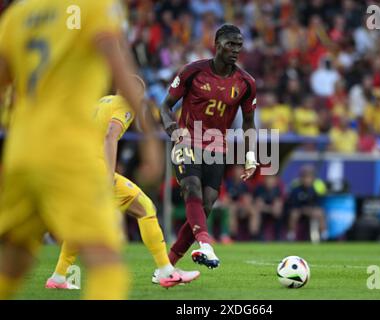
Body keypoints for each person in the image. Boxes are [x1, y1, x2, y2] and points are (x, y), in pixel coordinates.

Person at [0, 0, 159, 300]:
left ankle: (58, 274)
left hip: (21, 147)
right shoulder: (93, 7)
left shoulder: (15, 16)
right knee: (106, 260)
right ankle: (163, 270)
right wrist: (149, 137)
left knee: (14, 258)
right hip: (68, 148)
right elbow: (121, 69)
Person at [45, 77, 200, 290]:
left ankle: (59, 277)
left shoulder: (102, 101)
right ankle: (166, 271)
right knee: (146, 208)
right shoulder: (126, 105)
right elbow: (111, 135)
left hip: (77, 167)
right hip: (96, 171)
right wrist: (108, 175)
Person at [159, 24, 258, 269]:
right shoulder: (193, 71)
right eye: (230, 44)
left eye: (239, 45)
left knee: (205, 206)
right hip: (188, 140)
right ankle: (206, 244)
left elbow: (248, 123)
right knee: (191, 188)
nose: (235, 50)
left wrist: (250, 156)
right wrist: (174, 130)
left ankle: (166, 266)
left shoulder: (246, 83)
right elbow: (165, 107)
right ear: (217, 44)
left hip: (217, 147)